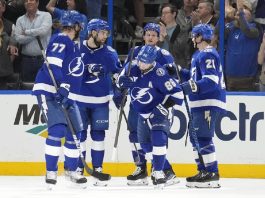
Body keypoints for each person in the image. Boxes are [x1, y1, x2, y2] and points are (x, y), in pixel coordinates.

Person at [114, 22, 180, 186]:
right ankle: (141, 167)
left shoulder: (164, 55)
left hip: (157, 103)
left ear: (158, 38)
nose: (150, 37)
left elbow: (173, 81)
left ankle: (163, 169)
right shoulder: (134, 52)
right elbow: (125, 75)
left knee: (158, 136)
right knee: (134, 134)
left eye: (154, 35)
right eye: (148, 34)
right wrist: (120, 91)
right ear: (143, 36)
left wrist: (166, 103)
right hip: (138, 102)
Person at [32, 10, 87, 188]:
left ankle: (71, 170)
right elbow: (54, 65)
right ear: (77, 26)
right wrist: (63, 86)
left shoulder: (74, 44)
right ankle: (51, 171)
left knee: (75, 133)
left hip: (67, 93)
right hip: (49, 91)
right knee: (56, 131)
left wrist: (67, 89)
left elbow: (73, 71)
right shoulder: (61, 39)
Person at [73, 18, 122, 186]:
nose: (105, 36)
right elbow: (70, 71)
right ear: (92, 32)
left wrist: (119, 90)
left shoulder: (110, 53)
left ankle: (98, 168)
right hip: (79, 101)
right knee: (80, 134)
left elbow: (118, 75)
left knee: (98, 135)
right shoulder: (77, 48)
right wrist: (86, 71)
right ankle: (79, 169)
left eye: (107, 33)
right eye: (102, 32)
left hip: (101, 101)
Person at [179, 24, 226, 188]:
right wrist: (178, 71)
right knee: (196, 137)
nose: (193, 38)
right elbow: (194, 76)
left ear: (200, 36)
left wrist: (193, 87)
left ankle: (212, 173)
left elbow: (211, 80)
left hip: (208, 101)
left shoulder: (207, 54)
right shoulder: (199, 55)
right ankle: (203, 171)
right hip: (199, 102)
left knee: (203, 137)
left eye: (194, 35)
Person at [224, 0, 261, 91]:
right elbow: (217, 32)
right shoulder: (231, 27)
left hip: (248, 79)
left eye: (245, 8)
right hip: (229, 78)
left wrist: (240, 13)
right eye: (241, 8)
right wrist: (225, 16)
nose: (242, 10)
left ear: (251, 14)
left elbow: (247, 30)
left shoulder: (256, 27)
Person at [14, 0, 52, 83]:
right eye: (26, 1)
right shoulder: (20, 20)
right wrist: (36, 35)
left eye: (31, 0)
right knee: (26, 87)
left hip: (43, 59)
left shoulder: (46, 15)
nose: (28, 2)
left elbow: (44, 31)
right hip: (26, 61)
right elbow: (18, 38)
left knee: (44, 86)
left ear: (37, 3)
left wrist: (27, 32)